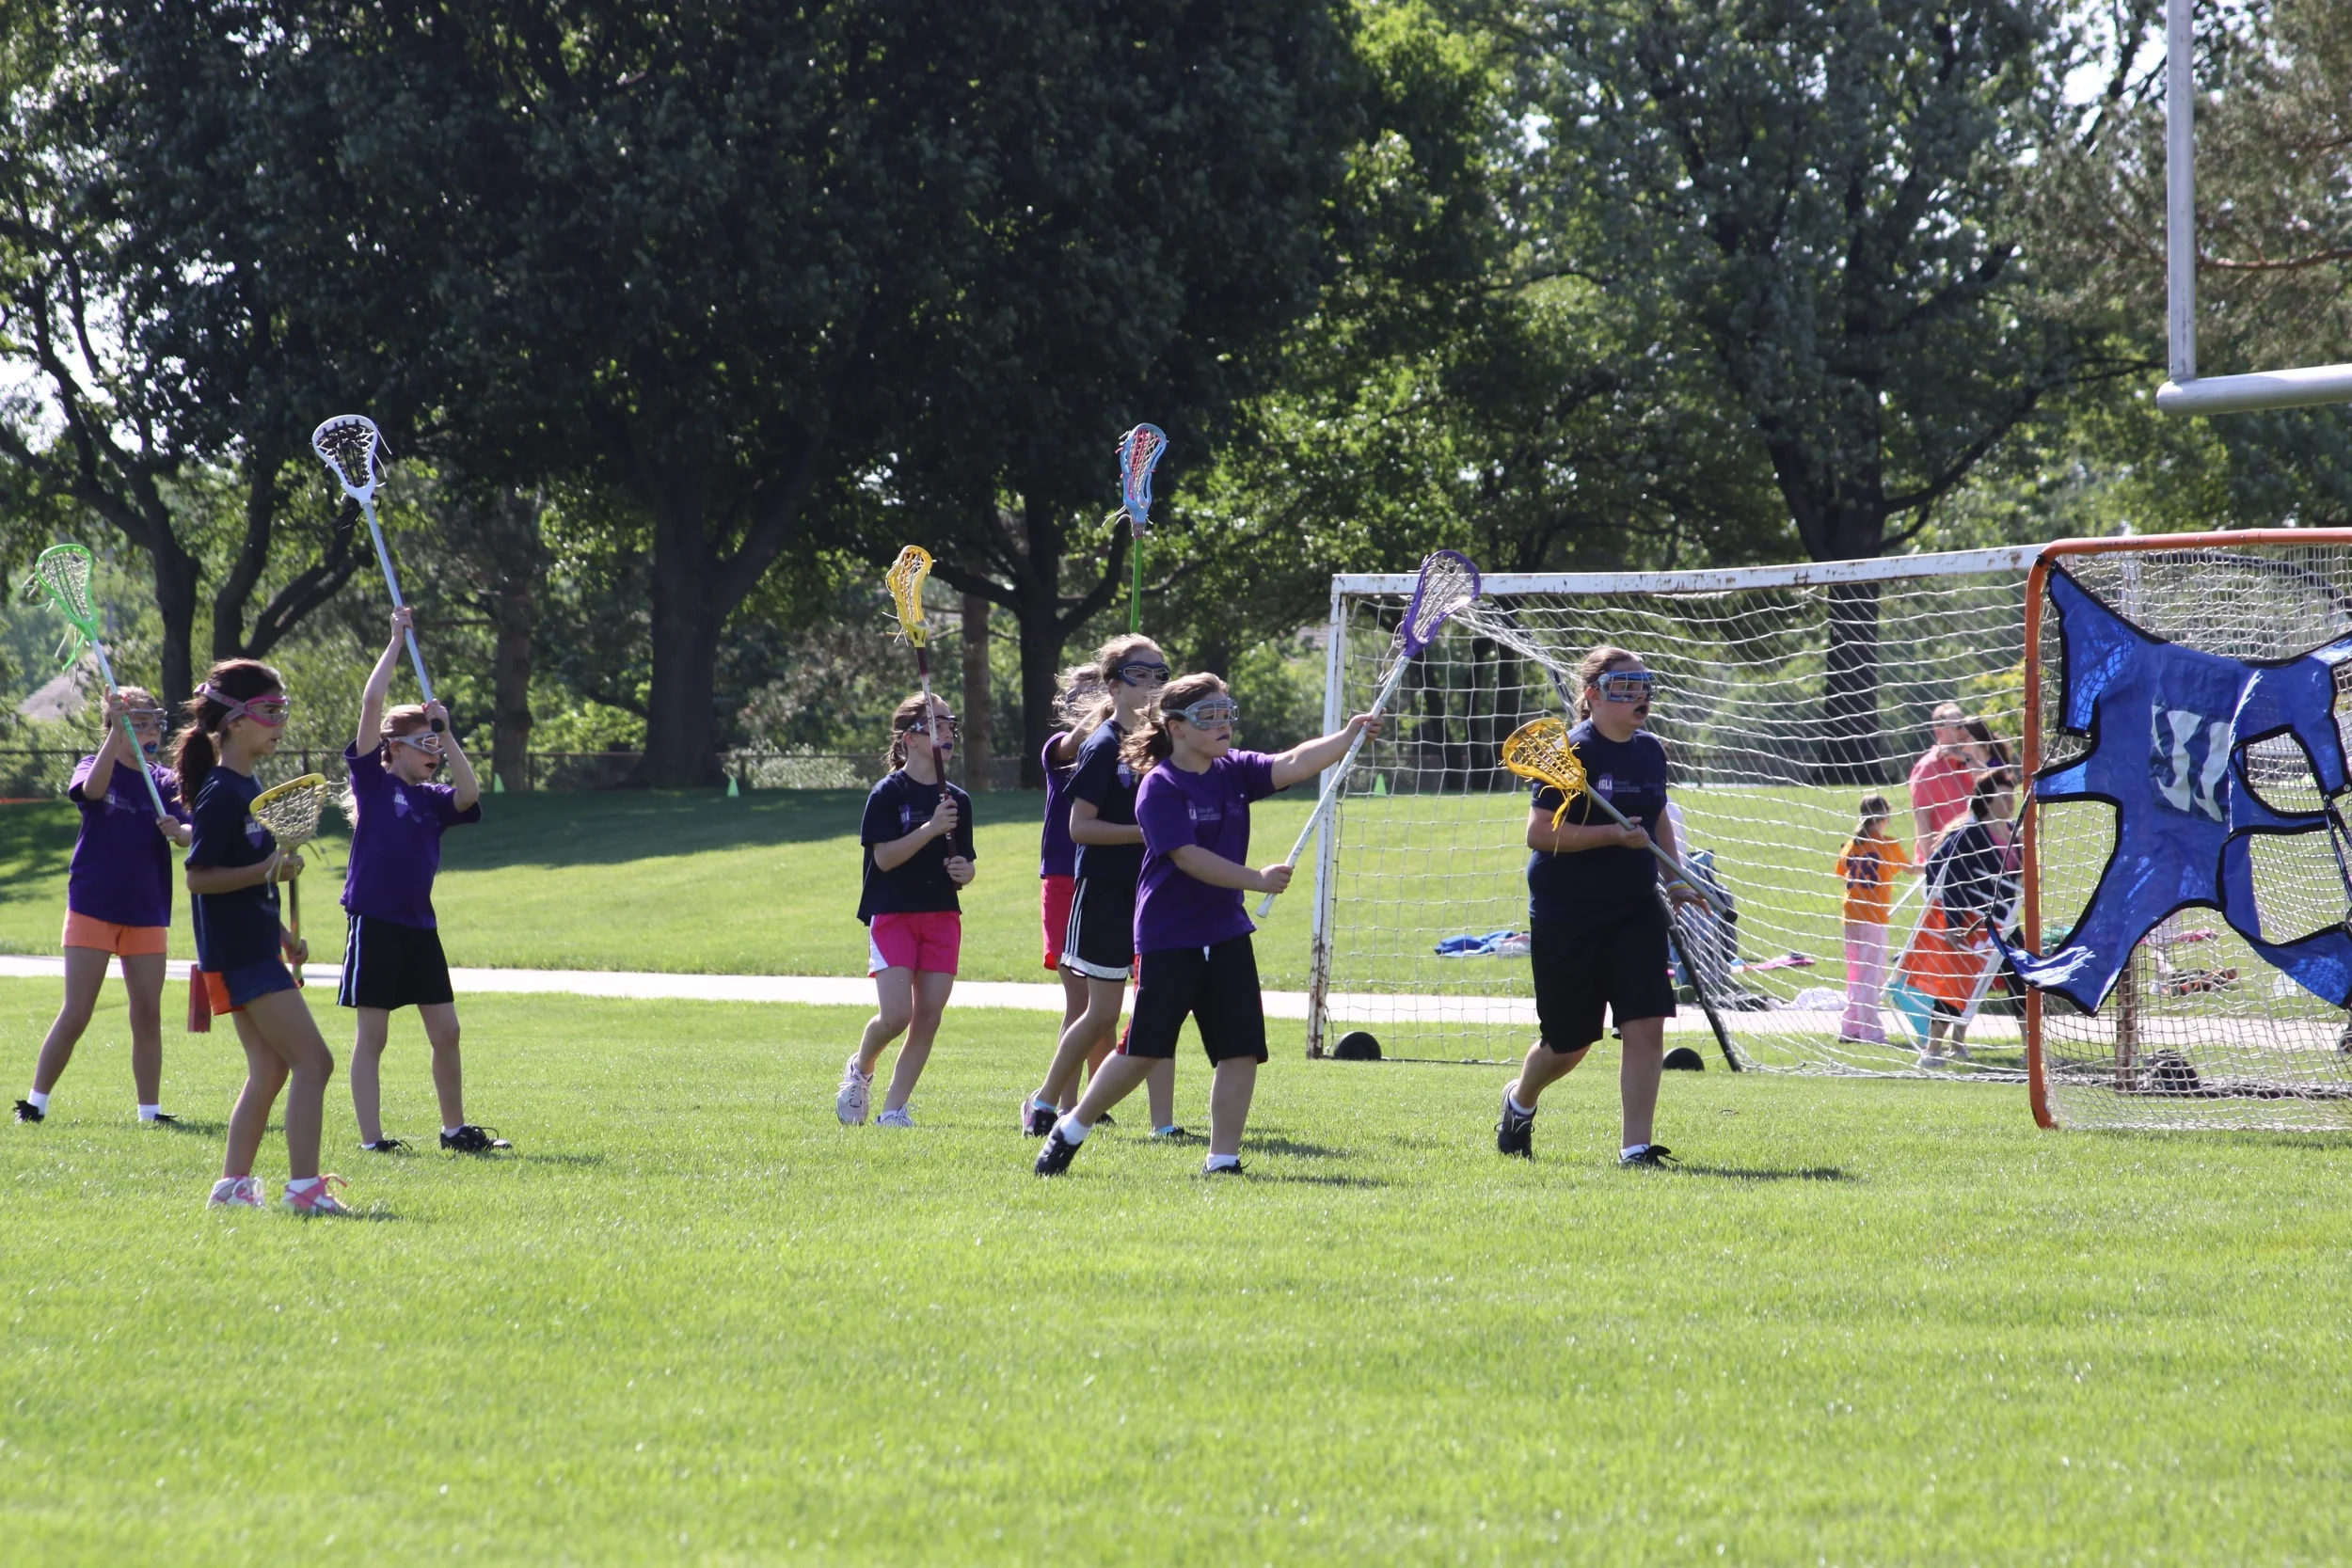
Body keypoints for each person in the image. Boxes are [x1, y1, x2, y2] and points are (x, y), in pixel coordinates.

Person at [1035, 674, 1379, 1178]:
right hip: (1169, 937)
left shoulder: (1233, 769)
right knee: (1142, 1053)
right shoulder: (1159, 786)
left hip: (1226, 932)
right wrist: (1255, 879)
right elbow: (1189, 858)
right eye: (1209, 716)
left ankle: (1222, 1161)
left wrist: (1347, 736)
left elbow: (1292, 762)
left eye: (1227, 713)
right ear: (1175, 727)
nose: (1223, 725)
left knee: (1241, 1050)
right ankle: (1072, 1127)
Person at [1494, 645, 1708, 1167]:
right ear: (1592, 696)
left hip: (1634, 906)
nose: (1639, 695)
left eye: (1644, 684)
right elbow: (1539, 833)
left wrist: (1677, 881)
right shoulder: (1571, 754)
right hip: (1568, 912)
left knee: (1646, 1021)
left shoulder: (1651, 751)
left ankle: (1635, 1149)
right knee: (1568, 1045)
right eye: (1623, 686)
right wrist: (1611, 834)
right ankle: (1520, 1100)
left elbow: (1657, 816)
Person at [179, 659, 354, 1214]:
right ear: (233, 721)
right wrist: (266, 871)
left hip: (253, 948)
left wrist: (281, 933)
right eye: (269, 711)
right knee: (314, 1062)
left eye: (284, 710)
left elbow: (245, 878)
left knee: (272, 1068)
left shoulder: (247, 784)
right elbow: (199, 877)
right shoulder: (221, 791)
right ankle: (304, 1190)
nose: (280, 723)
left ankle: (231, 1188)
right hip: (237, 956)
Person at [341, 608, 505, 1154]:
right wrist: (395, 641)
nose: (432, 754)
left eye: (434, 746)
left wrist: (447, 734)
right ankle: (373, 1141)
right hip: (375, 923)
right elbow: (371, 705)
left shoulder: (434, 801)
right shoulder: (373, 784)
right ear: (393, 748)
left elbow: (470, 794)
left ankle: (454, 1131)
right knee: (374, 1036)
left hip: (419, 926)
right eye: (423, 744)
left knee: (447, 1032)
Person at [1024, 636, 1182, 1138]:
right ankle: (1045, 1104)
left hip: (1152, 892)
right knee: (1100, 1014)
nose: (1152, 683)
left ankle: (1163, 1125)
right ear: (1113, 685)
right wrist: (1146, 831)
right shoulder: (1102, 744)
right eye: (1140, 674)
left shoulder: (1164, 743)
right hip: (1104, 894)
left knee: (1157, 1006)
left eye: (1160, 674)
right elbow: (1081, 828)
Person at [16, 689, 193, 1126]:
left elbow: (193, 831)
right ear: (116, 725)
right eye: (139, 723)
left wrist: (180, 831)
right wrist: (116, 730)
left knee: (147, 1014)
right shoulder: (94, 766)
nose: (151, 732)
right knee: (77, 1011)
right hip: (93, 904)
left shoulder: (165, 781)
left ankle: (150, 1112)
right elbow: (92, 792)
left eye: (154, 723)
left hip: (146, 908)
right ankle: (35, 1104)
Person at [838, 693, 977, 1127]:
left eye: (950, 725)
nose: (948, 733)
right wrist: (931, 828)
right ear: (909, 739)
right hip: (894, 913)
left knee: (928, 1017)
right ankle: (861, 1068)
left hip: (942, 915)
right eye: (935, 725)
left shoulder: (957, 799)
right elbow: (884, 858)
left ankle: (893, 1110)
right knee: (897, 1016)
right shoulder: (887, 793)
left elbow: (967, 863)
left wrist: (965, 870)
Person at [1899, 767, 2021, 1067]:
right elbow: (1947, 875)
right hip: (1971, 922)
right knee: (1958, 985)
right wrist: (1953, 923)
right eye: (2003, 797)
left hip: (2003, 923)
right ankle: (1933, 1050)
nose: (2010, 802)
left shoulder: (2013, 833)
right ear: (1987, 801)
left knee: (2021, 980)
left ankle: (2033, 1053)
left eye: (2012, 796)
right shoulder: (1971, 834)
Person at [1834, 793, 1914, 1046]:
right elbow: (1910, 869)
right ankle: (1872, 1033)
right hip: (1873, 918)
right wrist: (1936, 865)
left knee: (1856, 974)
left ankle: (1850, 1027)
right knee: (1872, 976)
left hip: (1851, 916)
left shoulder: (1851, 845)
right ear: (1884, 818)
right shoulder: (1887, 845)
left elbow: (1841, 872)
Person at [1909, 702, 1975, 854]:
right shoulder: (1929, 766)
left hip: (1972, 854)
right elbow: (1922, 817)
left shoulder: (1970, 761)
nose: (1964, 731)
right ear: (1939, 732)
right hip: (1944, 857)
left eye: (1965, 725)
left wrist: (1967, 759)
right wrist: (1932, 861)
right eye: (1958, 726)